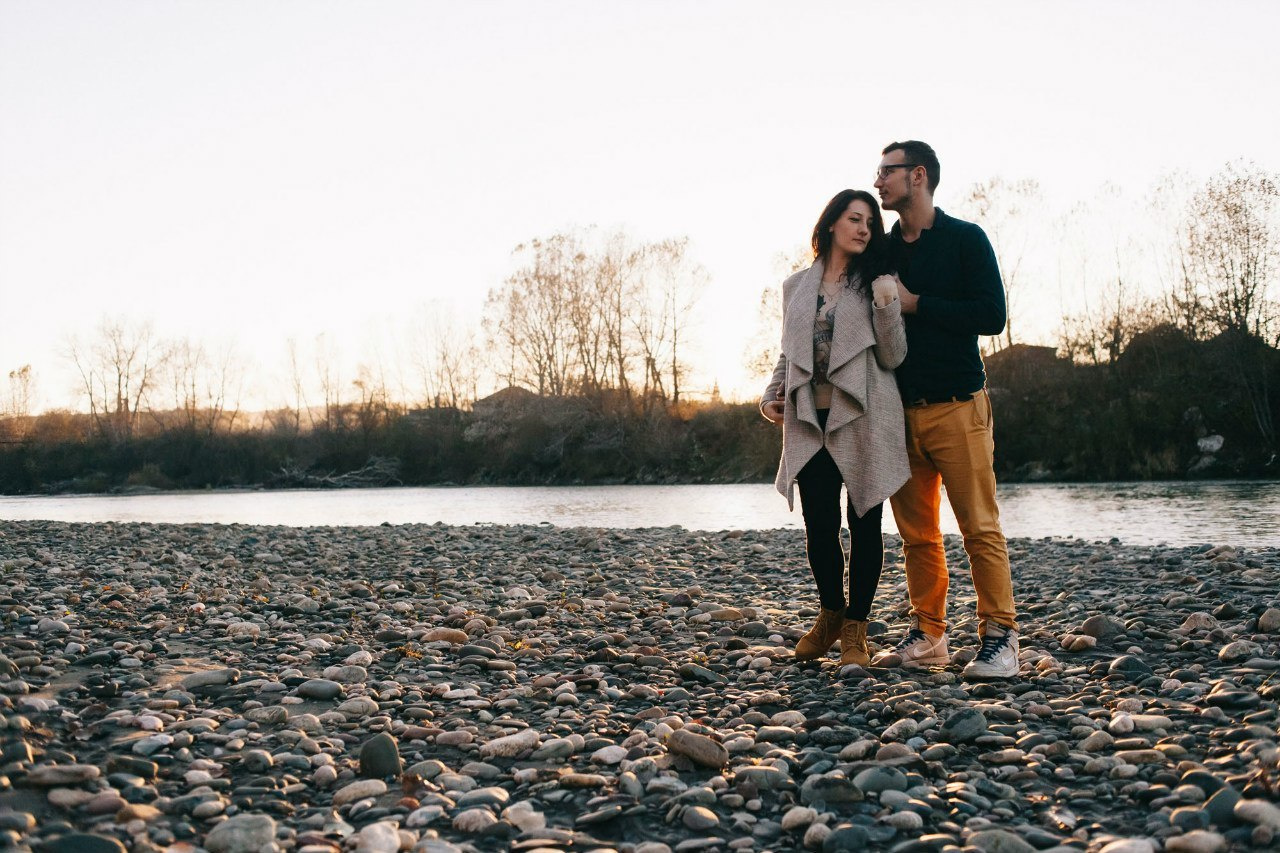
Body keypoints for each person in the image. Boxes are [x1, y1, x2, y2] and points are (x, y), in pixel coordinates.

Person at [868, 140, 1020, 679]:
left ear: (919, 175)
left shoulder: (964, 239)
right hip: (898, 412)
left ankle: (1000, 639)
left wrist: (916, 305)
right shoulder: (882, 249)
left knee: (979, 525)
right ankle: (930, 634)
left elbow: (992, 314)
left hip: (958, 405)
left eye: (887, 171)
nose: (878, 180)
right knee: (917, 536)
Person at [761, 189, 909, 667]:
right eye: (854, 218)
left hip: (866, 415)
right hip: (809, 419)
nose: (864, 228)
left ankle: (856, 631)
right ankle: (829, 614)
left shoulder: (876, 284)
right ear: (830, 225)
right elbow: (789, 353)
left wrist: (888, 304)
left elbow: (893, 356)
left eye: (870, 221)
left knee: (866, 523)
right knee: (819, 526)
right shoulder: (795, 287)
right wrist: (771, 395)